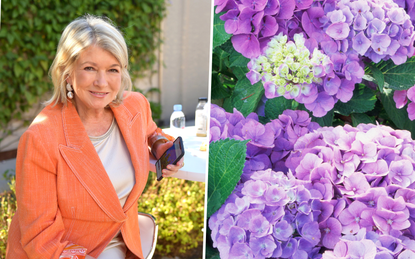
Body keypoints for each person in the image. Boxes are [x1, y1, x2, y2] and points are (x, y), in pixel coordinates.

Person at [6, 14, 184, 259]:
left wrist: (161, 146)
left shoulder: (135, 106)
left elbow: (151, 132)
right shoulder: (40, 138)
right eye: (90, 68)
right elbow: (41, 236)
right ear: (67, 72)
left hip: (124, 243)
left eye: (113, 69)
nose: (102, 83)